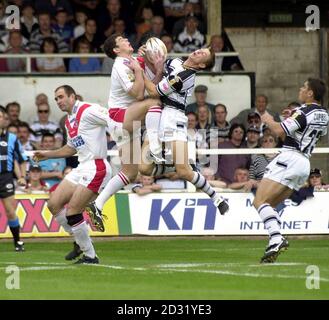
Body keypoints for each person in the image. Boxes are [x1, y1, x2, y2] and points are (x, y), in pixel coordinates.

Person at [84, 34, 164, 229]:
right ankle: (154, 146)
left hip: (127, 121)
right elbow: (138, 93)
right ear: (115, 49)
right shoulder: (121, 64)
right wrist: (138, 68)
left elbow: (153, 87)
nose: (127, 39)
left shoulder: (133, 61)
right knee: (155, 104)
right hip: (121, 117)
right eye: (121, 39)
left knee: (130, 172)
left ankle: (98, 204)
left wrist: (154, 65)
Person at [138, 47, 229, 214]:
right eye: (201, 49)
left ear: (201, 65)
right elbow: (155, 72)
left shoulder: (186, 77)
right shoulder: (174, 61)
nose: (199, 51)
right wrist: (144, 57)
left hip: (173, 119)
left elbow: (153, 90)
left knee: (184, 172)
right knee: (143, 168)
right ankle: (180, 165)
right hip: (157, 116)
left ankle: (216, 197)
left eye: (203, 54)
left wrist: (137, 69)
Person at [33, 85, 112, 264]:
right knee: (53, 204)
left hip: (96, 166)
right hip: (82, 166)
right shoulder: (69, 120)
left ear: (72, 96)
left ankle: (90, 256)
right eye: (56, 99)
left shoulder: (88, 109)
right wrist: (48, 153)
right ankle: (79, 240)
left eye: (61, 97)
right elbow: (71, 148)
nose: (58, 101)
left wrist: (126, 139)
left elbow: (112, 118)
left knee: (73, 211)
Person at [253, 78, 329, 263]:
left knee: (259, 201)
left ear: (310, 93)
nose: (301, 89)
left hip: (289, 158)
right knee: (268, 205)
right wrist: (292, 116)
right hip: (304, 163)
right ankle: (275, 240)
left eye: (304, 87)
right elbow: (314, 131)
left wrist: (268, 119)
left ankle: (277, 238)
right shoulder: (324, 114)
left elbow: (280, 131)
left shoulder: (303, 111)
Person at [0, 106, 28, 252]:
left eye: (0, 116)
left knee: (10, 211)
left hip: (5, 178)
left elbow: (22, 160)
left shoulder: (12, 138)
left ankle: (17, 241)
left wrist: (22, 177)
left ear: (5, 119)